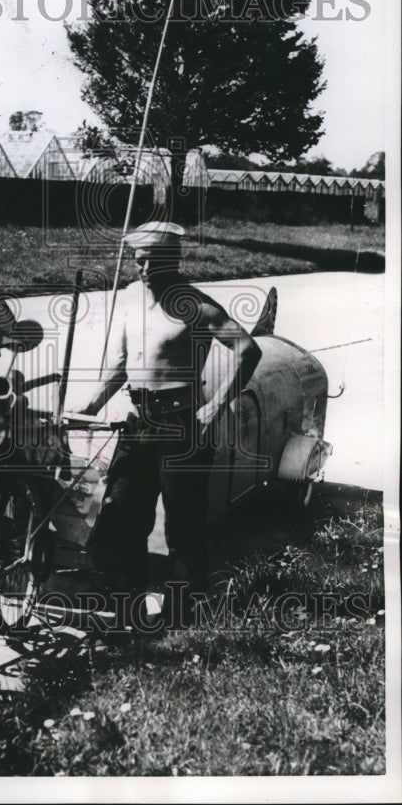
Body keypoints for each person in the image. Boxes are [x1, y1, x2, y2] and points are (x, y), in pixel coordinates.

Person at [73, 221, 262, 626]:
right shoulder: (128, 298)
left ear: (172, 260)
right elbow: (121, 364)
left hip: (181, 426)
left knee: (182, 525)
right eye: (138, 262)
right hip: (138, 423)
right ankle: (129, 610)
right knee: (121, 514)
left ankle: (183, 616)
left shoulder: (194, 303)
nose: (143, 270)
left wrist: (213, 407)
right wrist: (88, 407)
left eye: (151, 262)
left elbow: (247, 349)